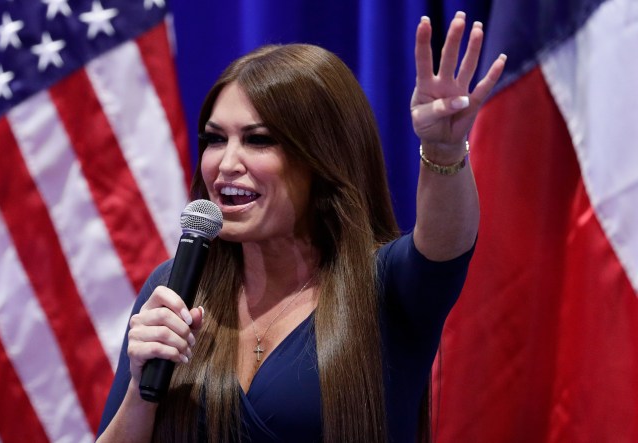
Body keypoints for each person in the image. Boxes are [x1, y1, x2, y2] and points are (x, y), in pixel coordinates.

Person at [97, 11, 506, 443]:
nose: (225, 163)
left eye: (258, 140)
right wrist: (141, 394)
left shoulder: (386, 287)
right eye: (215, 139)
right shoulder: (176, 287)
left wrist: (443, 151)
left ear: (321, 158)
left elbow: (447, 242)